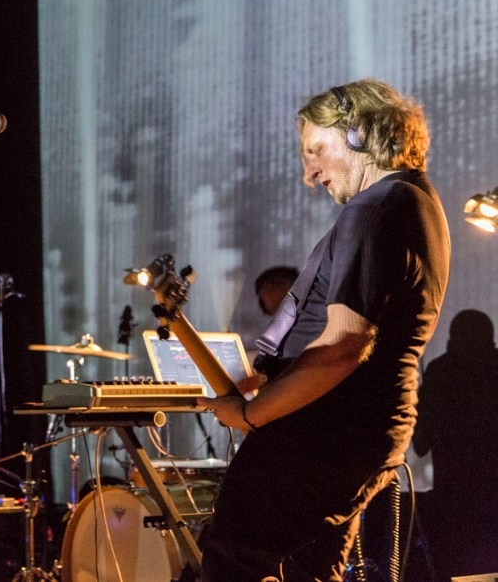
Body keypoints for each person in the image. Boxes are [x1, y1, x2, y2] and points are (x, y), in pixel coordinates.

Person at [197, 79, 450, 580]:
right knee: (308, 572)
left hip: (322, 437)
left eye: (316, 150)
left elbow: (342, 347)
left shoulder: (375, 206)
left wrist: (250, 415)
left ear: (359, 134)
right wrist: (267, 379)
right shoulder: (411, 201)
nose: (309, 173)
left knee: (234, 562)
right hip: (354, 432)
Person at [413, 309, 498, 577]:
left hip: (453, 497)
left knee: (456, 566)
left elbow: (421, 444)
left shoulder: (439, 372)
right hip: (492, 495)